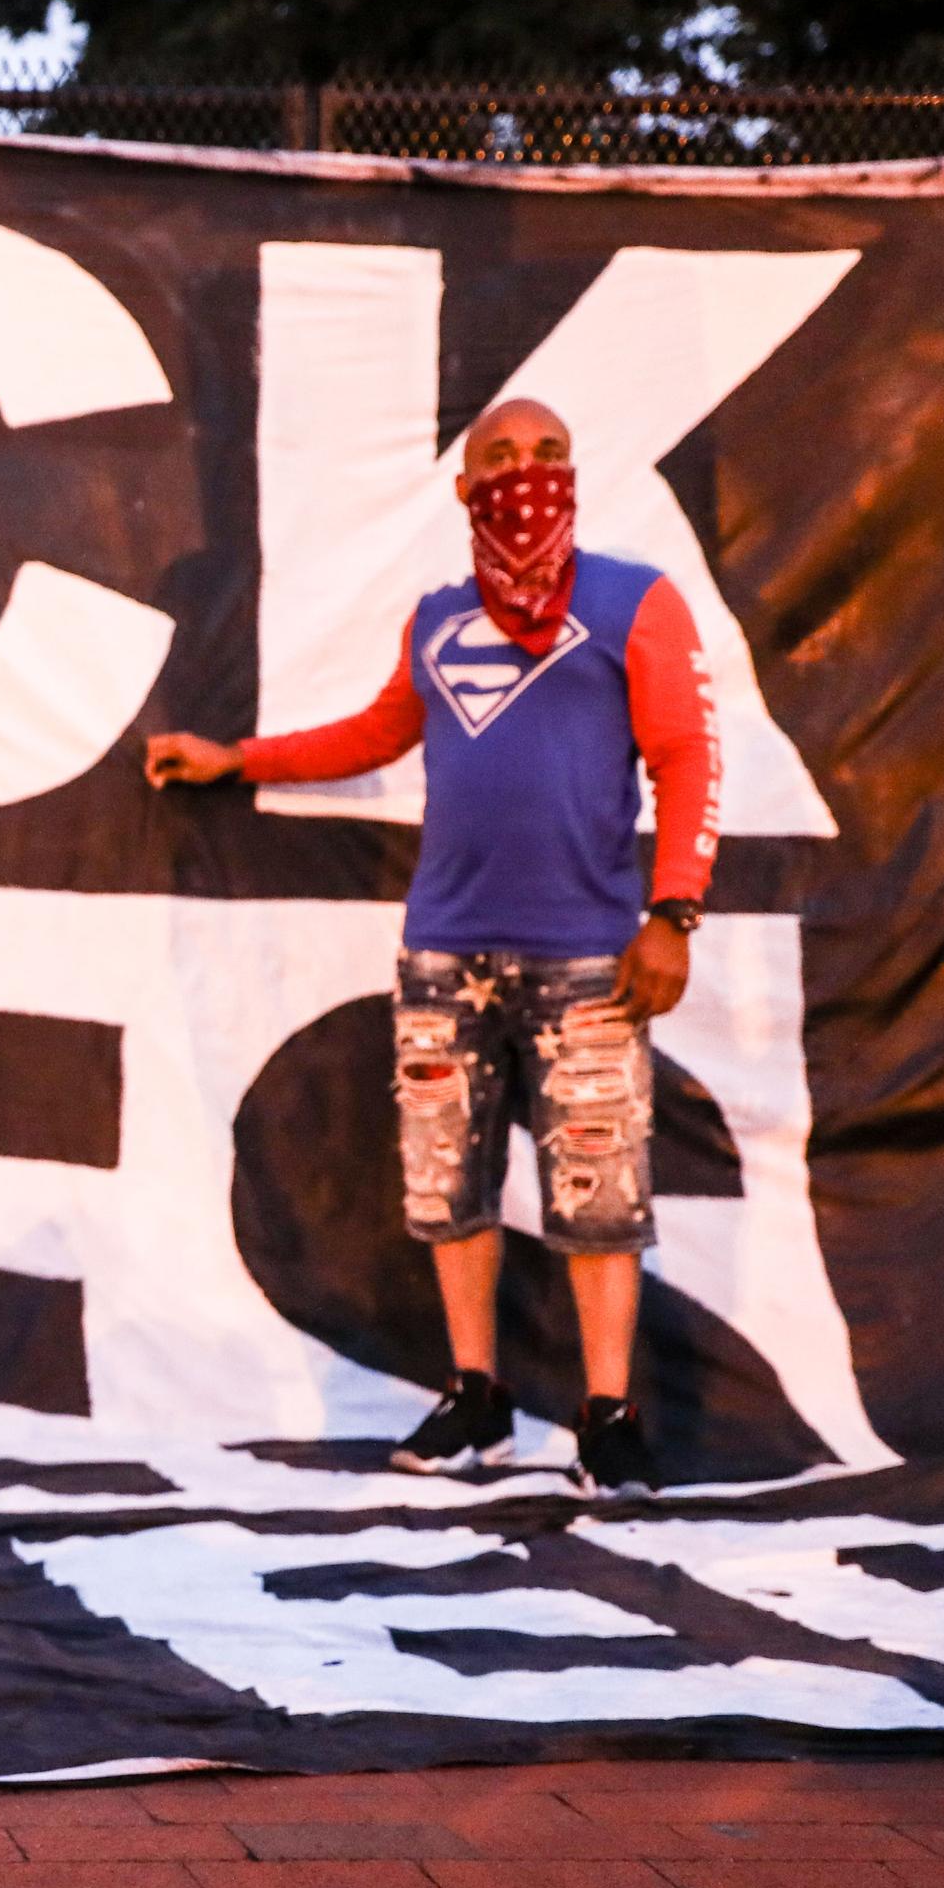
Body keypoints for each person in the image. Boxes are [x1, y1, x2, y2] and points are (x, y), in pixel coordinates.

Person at [147, 398, 717, 1498]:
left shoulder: (634, 601)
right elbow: (372, 732)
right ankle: (478, 1396)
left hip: (591, 958)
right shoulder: (437, 621)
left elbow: (686, 755)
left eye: (548, 452)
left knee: (597, 1193)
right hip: (445, 953)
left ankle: (607, 1415)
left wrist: (673, 912)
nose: (525, 473)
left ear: (576, 470)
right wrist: (238, 760)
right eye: (499, 458)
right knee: (448, 1188)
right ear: (465, 489)